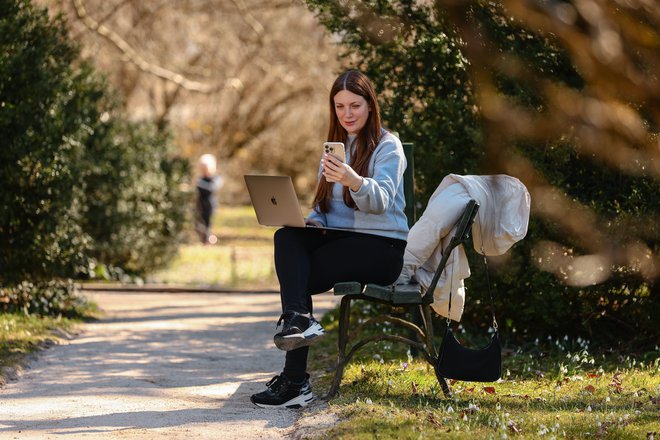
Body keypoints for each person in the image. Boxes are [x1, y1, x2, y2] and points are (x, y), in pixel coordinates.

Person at [250, 70, 409, 409]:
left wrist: (354, 180)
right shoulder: (334, 150)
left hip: (383, 249)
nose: (347, 114)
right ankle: (298, 321)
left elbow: (381, 201)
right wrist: (312, 221)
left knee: (298, 272)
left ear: (370, 106)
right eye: (339, 107)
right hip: (343, 241)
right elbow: (324, 207)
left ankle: (294, 381)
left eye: (355, 105)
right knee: (287, 238)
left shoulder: (388, 146)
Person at [195, 153, 223, 244]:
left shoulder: (216, 178)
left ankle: (207, 240)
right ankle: (205, 239)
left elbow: (212, 188)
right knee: (198, 224)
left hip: (210, 205)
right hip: (200, 204)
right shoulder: (200, 179)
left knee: (207, 224)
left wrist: (198, 183)